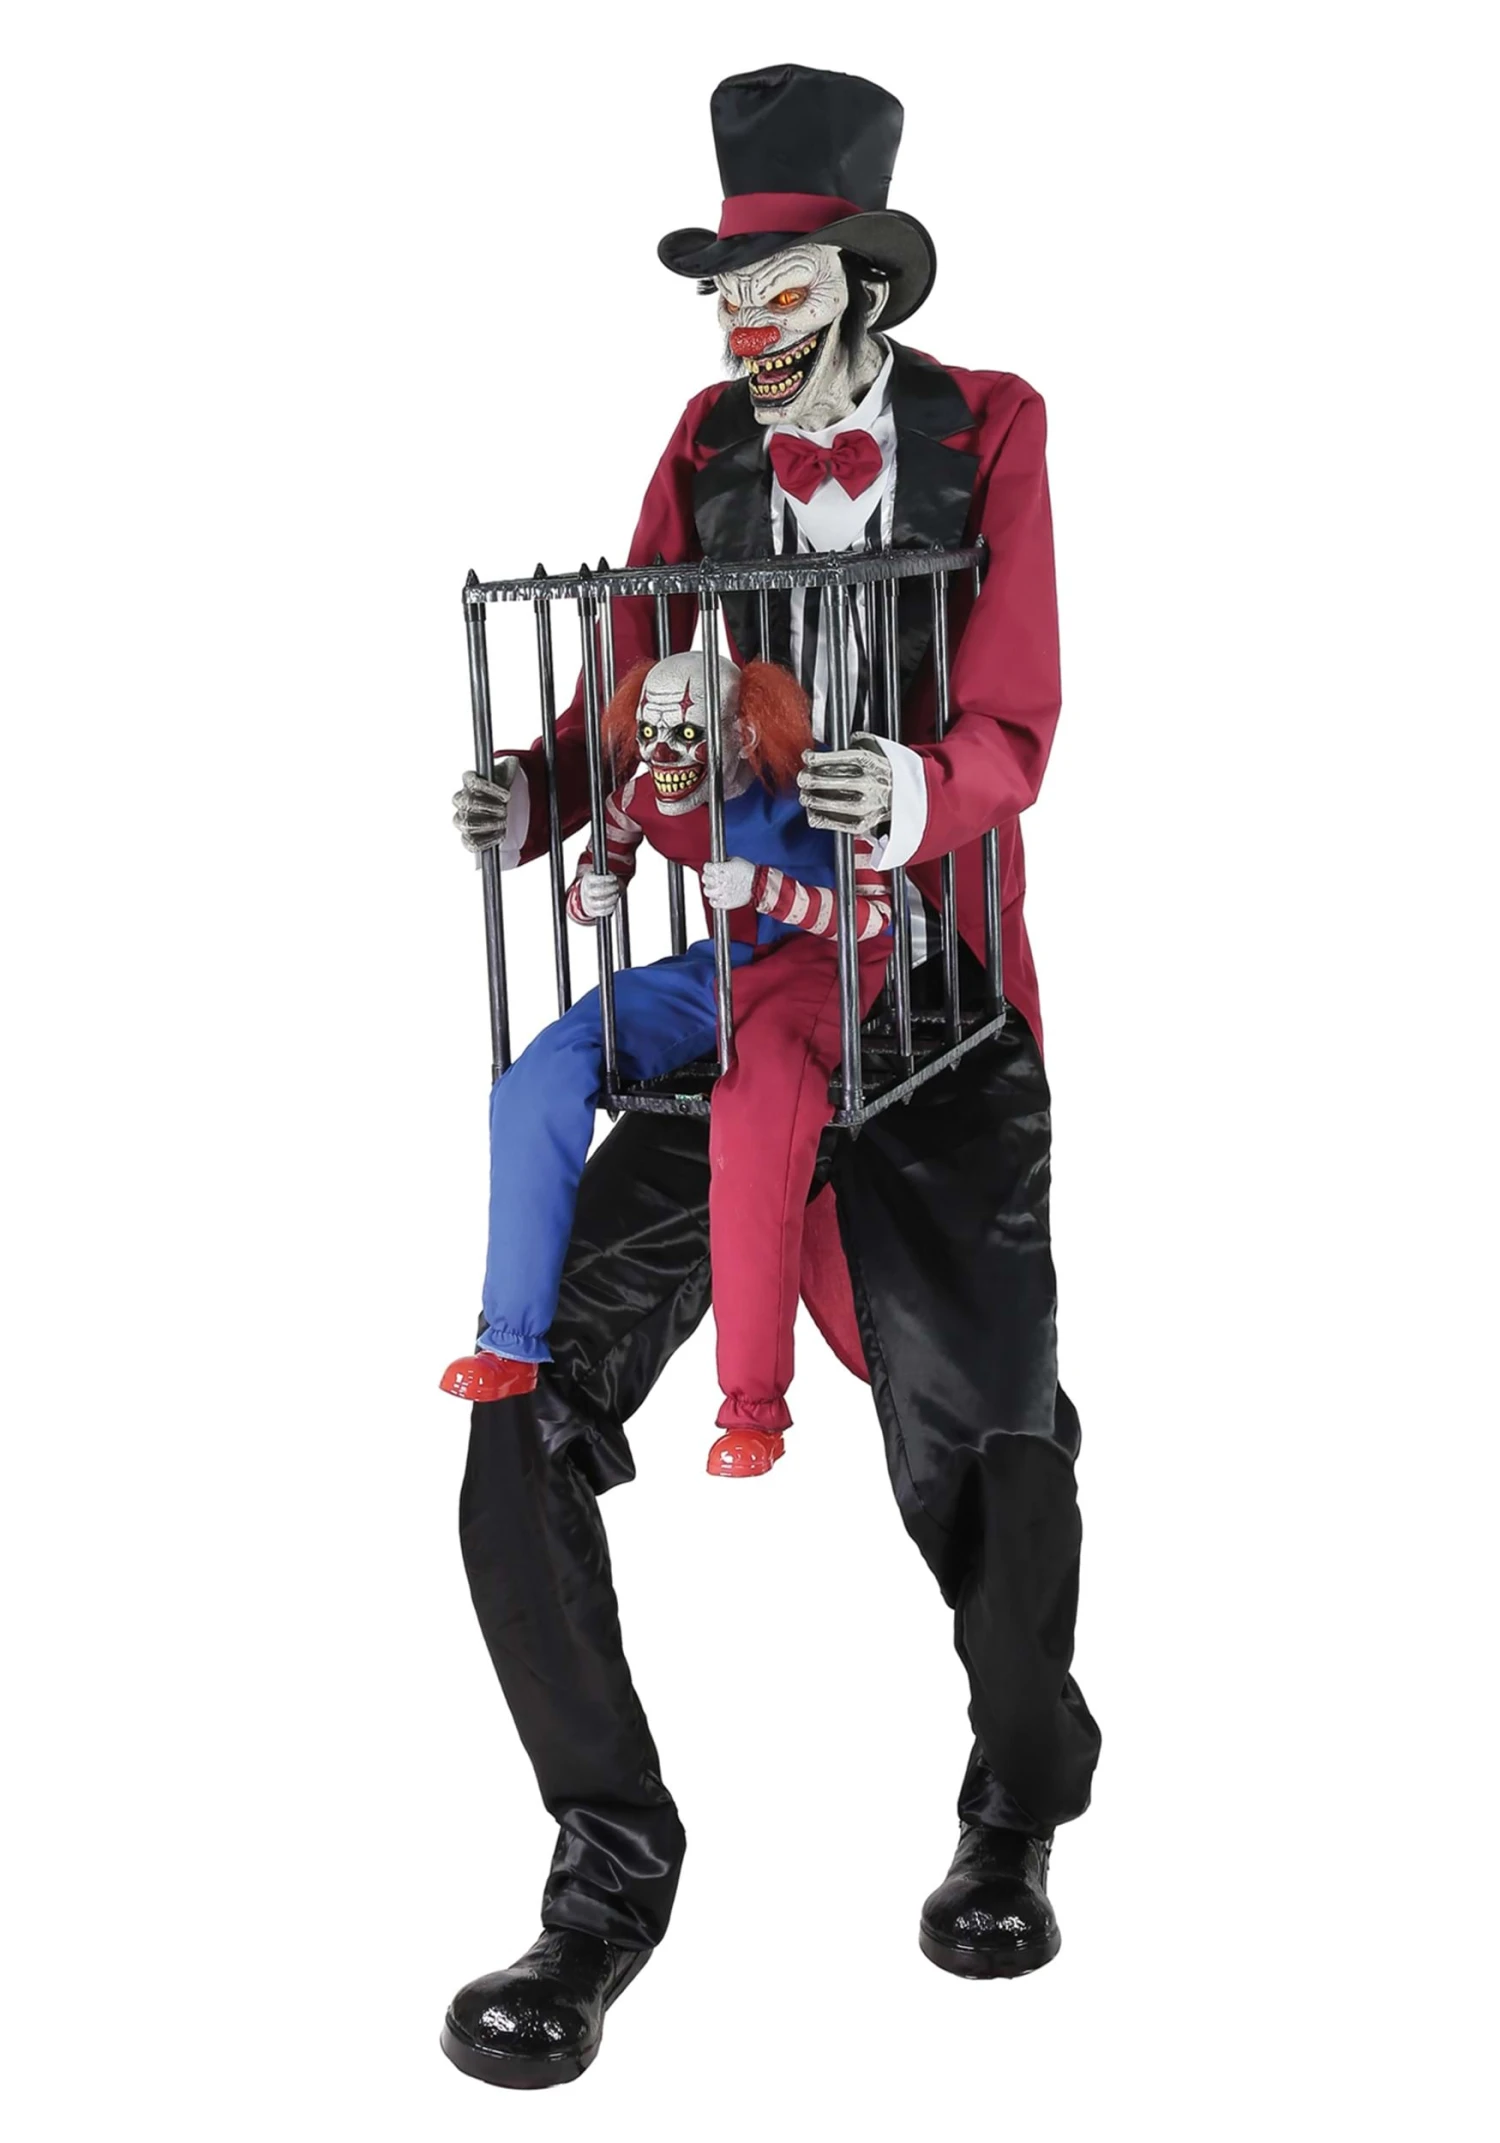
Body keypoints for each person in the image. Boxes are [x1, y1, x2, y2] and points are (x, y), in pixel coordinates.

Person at [440, 63, 1100, 2092]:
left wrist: (921, 782)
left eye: (775, 281)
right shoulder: (704, 447)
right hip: (747, 994)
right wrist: (544, 792)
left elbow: (1017, 716)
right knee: (521, 1409)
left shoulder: (991, 426)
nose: (742, 318)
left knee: (985, 1424)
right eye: (725, 284)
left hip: (938, 997)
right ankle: (604, 1879)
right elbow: (629, 691)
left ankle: (1017, 1795)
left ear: (858, 283)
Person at [441, 650, 891, 1476]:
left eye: (685, 733)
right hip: (721, 965)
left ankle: (753, 1409)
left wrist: (766, 890)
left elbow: (872, 917)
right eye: (647, 731)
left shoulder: (810, 785)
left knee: (753, 1116)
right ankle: (509, 1341)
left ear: (744, 730)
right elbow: (604, 858)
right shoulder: (644, 790)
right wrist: (590, 895)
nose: (661, 751)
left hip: (821, 968)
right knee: (544, 1070)